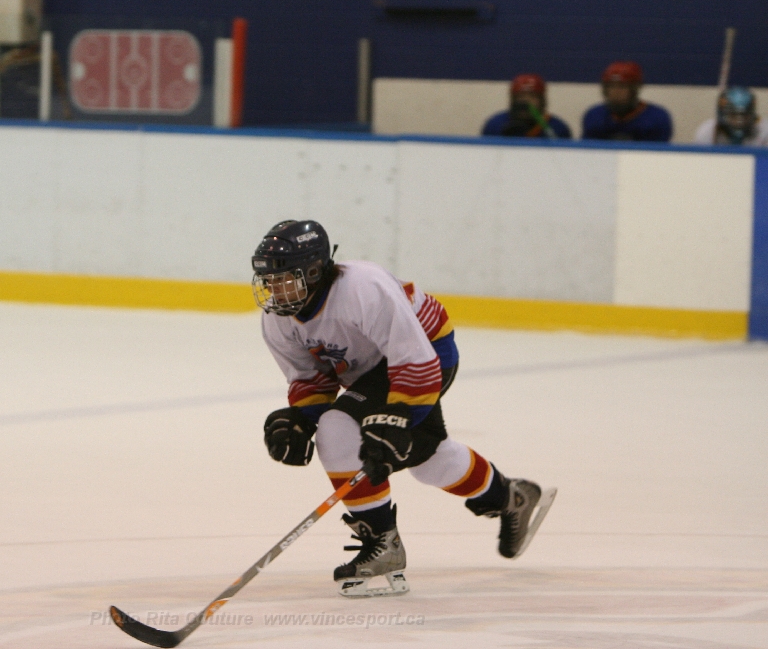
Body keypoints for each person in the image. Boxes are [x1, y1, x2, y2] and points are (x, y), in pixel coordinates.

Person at [252, 220, 555, 597]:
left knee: (338, 428)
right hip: (374, 371)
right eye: (268, 280)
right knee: (428, 462)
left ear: (314, 272)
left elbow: (415, 359)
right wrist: (300, 419)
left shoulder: (363, 288)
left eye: (284, 279)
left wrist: (399, 415)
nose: (274, 291)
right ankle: (511, 498)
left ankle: (383, 542)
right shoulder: (278, 321)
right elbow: (312, 380)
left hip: (427, 353)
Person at [582, 61, 672, 141]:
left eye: (622, 86)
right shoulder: (594, 116)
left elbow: (657, 152)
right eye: (611, 86)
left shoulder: (656, 118)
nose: (616, 91)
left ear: (635, 89)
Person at [482, 73, 572, 138]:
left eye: (532, 96)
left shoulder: (557, 128)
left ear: (542, 101)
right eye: (520, 96)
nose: (526, 101)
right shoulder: (495, 125)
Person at [694, 86, 768, 147]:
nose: (739, 122)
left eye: (745, 116)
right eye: (733, 115)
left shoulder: (765, 131)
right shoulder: (708, 131)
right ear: (722, 115)